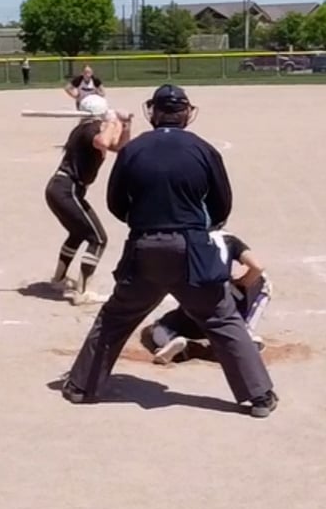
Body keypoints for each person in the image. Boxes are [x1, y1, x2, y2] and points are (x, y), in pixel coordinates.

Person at [59, 84, 277, 418]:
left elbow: (116, 203)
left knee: (116, 317)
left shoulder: (133, 150)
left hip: (145, 247)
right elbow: (221, 207)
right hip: (192, 249)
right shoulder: (204, 150)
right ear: (186, 113)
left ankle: (81, 387)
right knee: (221, 318)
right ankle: (259, 396)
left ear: (153, 112)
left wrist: (146, 221)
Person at [44, 93, 131, 304]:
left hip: (63, 189)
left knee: (78, 233)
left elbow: (119, 147)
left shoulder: (87, 129)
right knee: (98, 239)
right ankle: (83, 292)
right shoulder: (89, 129)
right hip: (67, 189)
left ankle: (59, 279)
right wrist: (112, 121)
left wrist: (125, 125)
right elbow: (103, 141)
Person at [140, 230, 271, 364]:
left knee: (160, 327)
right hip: (225, 313)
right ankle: (245, 339)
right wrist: (241, 282)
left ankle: (169, 342)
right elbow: (257, 267)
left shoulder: (184, 239)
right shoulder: (228, 240)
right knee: (263, 281)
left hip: (193, 311)